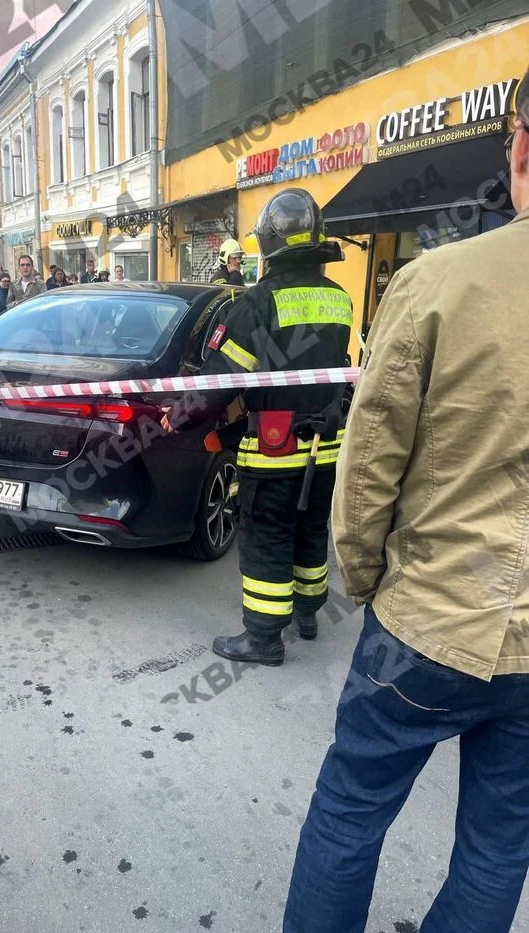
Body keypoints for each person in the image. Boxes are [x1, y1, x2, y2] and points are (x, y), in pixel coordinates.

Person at [282, 71, 529, 933]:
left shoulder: (436, 282)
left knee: (351, 806)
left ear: (522, 147)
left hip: (427, 619)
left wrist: (365, 579)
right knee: (501, 847)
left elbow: (370, 460)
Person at [162, 189, 352, 662]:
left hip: (275, 445)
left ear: (269, 242)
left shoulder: (257, 304)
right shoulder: (341, 299)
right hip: (327, 443)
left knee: (267, 530)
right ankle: (308, 614)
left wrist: (177, 416)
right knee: (311, 528)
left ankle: (264, 638)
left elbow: (220, 381)